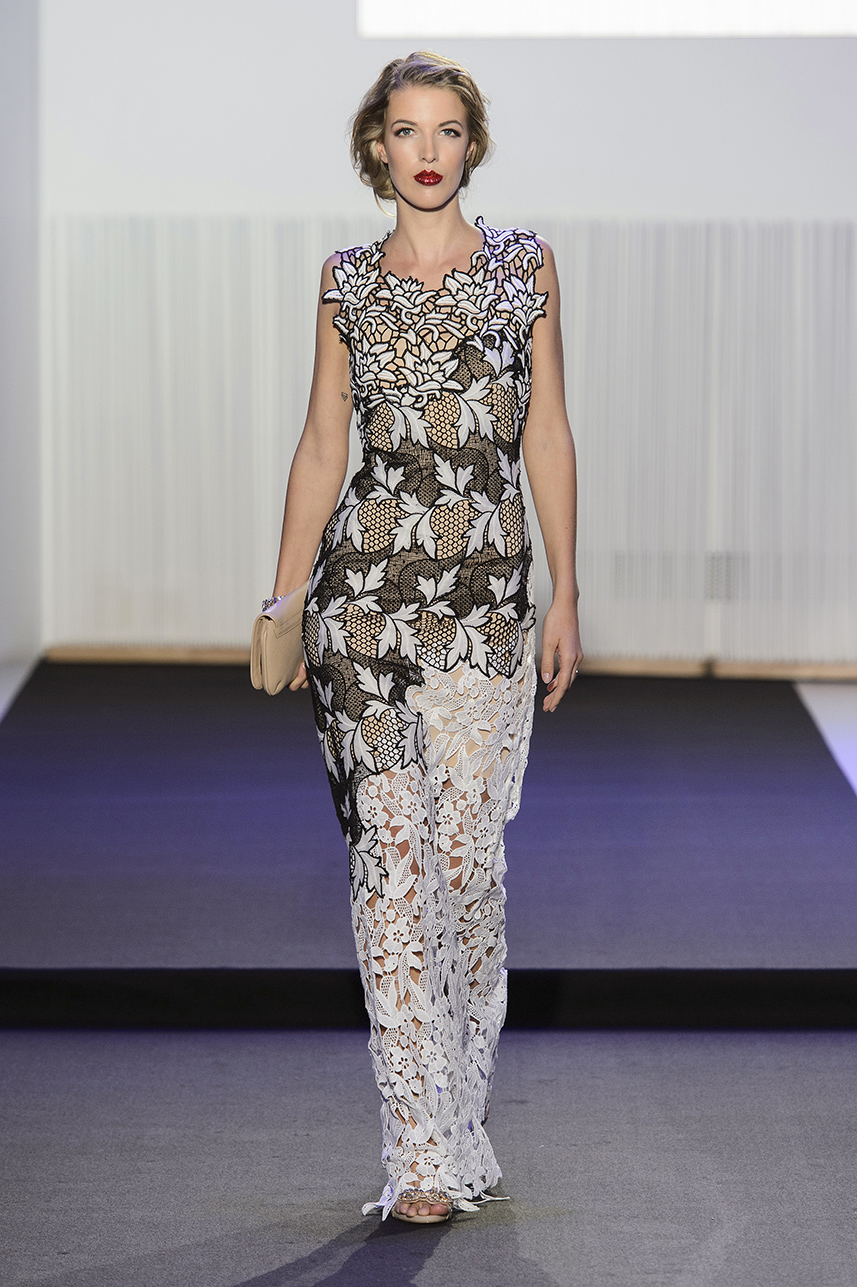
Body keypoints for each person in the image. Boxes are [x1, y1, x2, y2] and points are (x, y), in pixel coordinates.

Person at [267, 51, 583, 1224]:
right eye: (406, 130)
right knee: (390, 870)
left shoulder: (522, 267)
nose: (428, 151)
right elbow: (322, 444)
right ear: (376, 147)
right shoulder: (345, 282)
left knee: (464, 871)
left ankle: (459, 1111)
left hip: (485, 606)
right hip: (361, 609)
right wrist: (283, 599)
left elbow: (545, 431)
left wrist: (566, 591)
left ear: (471, 144)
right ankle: (417, 1151)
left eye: (446, 130)